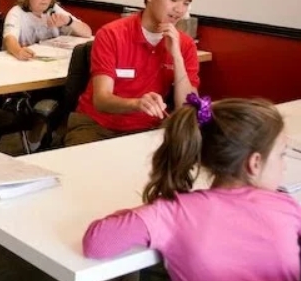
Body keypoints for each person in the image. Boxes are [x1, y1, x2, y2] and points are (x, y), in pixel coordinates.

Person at [83, 97, 301, 281]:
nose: (284, 166)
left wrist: (143, 211)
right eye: (281, 154)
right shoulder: (285, 206)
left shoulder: (172, 213)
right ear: (254, 163)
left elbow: (97, 243)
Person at [64, 0, 200, 147]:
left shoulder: (184, 44)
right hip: (97, 126)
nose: (180, 9)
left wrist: (177, 56)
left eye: (186, 3)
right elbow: (101, 100)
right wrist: (137, 104)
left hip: (149, 129)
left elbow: (187, 107)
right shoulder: (112, 34)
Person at [3, 0, 92, 60]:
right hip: (24, 60)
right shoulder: (16, 12)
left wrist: (69, 21)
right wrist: (18, 51)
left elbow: (87, 33)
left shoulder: (53, 9)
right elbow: (9, 39)